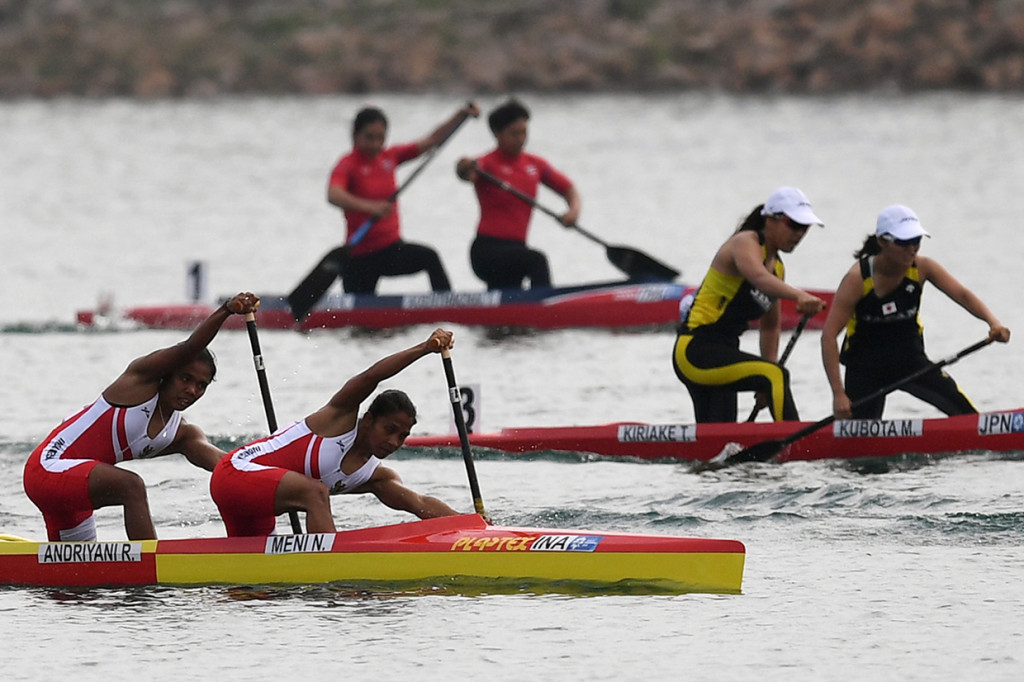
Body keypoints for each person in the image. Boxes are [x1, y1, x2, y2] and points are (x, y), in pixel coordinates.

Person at [23, 292, 261, 542]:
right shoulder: (138, 384)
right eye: (185, 379)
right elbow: (189, 347)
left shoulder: (182, 434)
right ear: (167, 374)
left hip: (74, 491)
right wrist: (225, 310)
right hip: (46, 470)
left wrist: (275, 479)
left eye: (201, 385)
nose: (192, 390)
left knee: (75, 573)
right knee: (132, 486)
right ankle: (150, 565)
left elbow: (226, 467)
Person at [210, 328, 461, 537]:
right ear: (368, 420)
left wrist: (471, 525)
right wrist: (424, 349)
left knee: (256, 587)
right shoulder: (339, 419)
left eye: (402, 436)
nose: (394, 442)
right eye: (389, 429)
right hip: (234, 472)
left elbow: (419, 504)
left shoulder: (376, 476)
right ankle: (328, 576)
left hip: (255, 504)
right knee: (315, 491)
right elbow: (372, 376)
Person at [821, 204, 1010, 419]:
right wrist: (838, 394)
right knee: (859, 442)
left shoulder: (922, 268)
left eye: (916, 241)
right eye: (903, 242)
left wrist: (993, 323)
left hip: (910, 362)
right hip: (865, 369)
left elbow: (963, 295)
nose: (912, 248)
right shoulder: (858, 279)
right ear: (882, 241)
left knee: (963, 411)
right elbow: (828, 337)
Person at [672, 187, 828, 423]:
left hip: (724, 355)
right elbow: (758, 277)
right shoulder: (745, 242)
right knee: (776, 375)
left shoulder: (778, 269)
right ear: (771, 219)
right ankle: (800, 450)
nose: (799, 234)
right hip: (695, 350)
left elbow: (769, 327)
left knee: (720, 443)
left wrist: (766, 381)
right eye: (794, 225)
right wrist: (799, 296)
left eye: (805, 228)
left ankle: (713, 460)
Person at [327, 102, 480, 294]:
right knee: (360, 322)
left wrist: (460, 115)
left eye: (381, 138)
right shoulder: (347, 164)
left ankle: (448, 307)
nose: (375, 144)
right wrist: (370, 207)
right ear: (355, 135)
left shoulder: (390, 157)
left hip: (391, 251)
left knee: (430, 258)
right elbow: (333, 195)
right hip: (360, 256)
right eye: (369, 137)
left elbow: (432, 140)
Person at [456, 98, 581, 290]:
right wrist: (463, 167)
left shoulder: (536, 165)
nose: (521, 139)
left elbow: (569, 190)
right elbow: (467, 174)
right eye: (514, 134)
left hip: (516, 250)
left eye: (524, 132)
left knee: (506, 301)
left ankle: (502, 316)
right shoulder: (486, 164)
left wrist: (573, 211)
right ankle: (547, 313)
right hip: (487, 252)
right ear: (497, 134)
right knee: (537, 260)